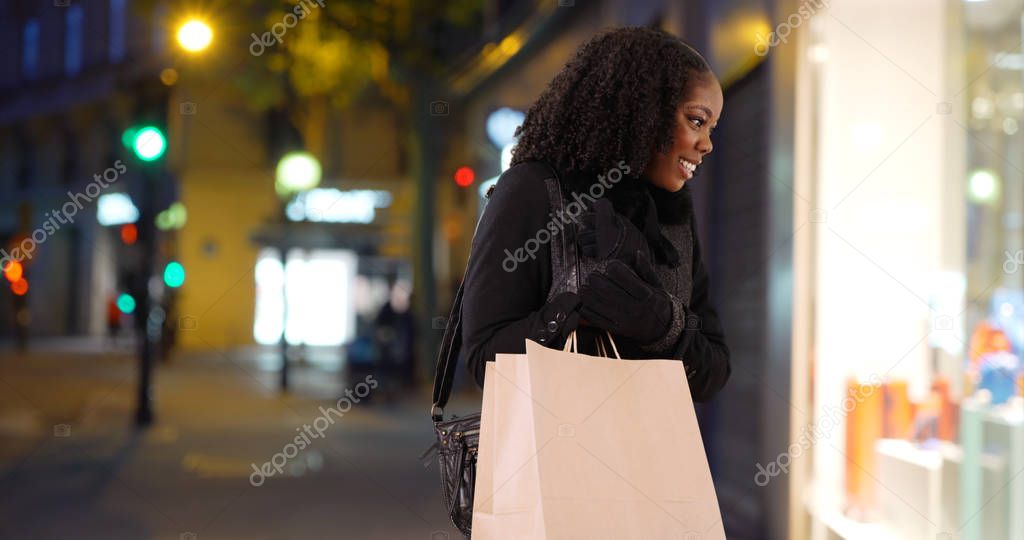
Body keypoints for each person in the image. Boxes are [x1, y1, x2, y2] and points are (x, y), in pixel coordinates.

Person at [460, 26, 731, 402]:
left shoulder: (675, 220)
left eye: (711, 128)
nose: (707, 144)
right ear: (646, 110)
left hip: (652, 456)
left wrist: (660, 322)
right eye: (697, 121)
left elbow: (715, 369)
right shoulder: (533, 191)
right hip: (551, 456)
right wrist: (574, 309)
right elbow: (483, 361)